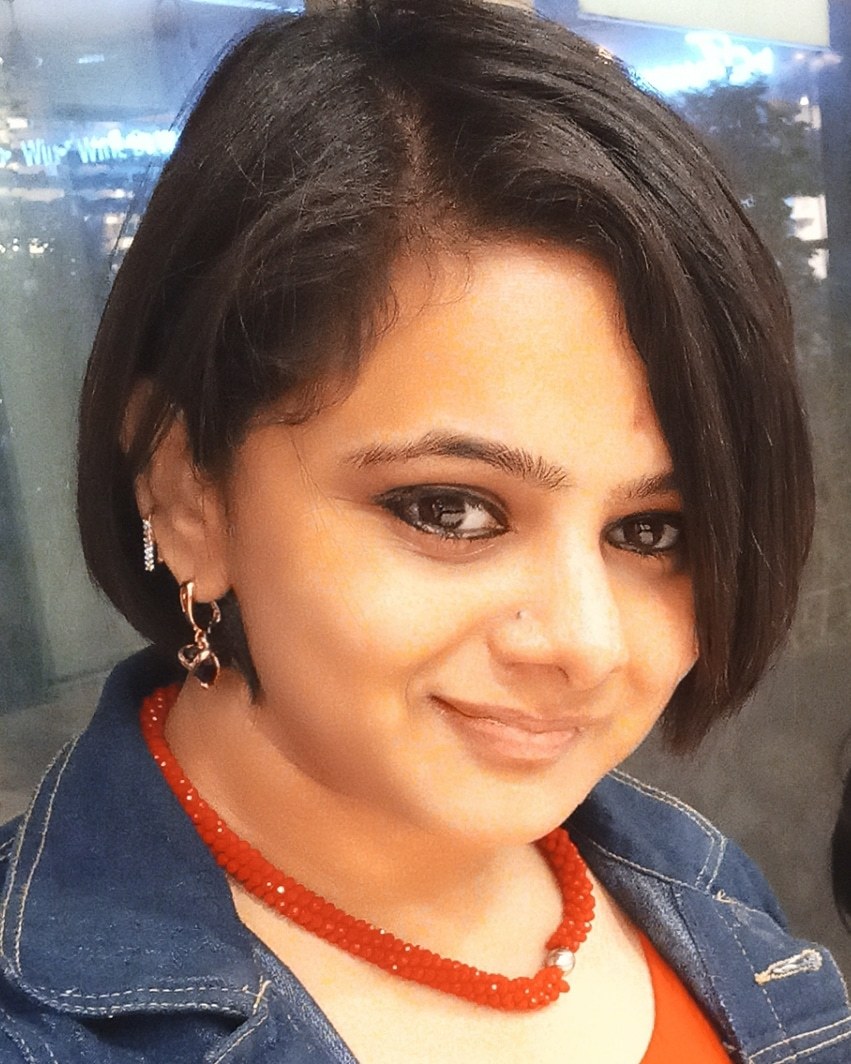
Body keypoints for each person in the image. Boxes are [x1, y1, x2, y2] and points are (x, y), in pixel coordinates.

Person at [1, 1, 848, 1060]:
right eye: (451, 510)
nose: (584, 643)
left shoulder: (704, 886)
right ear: (186, 493)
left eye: (648, 531)